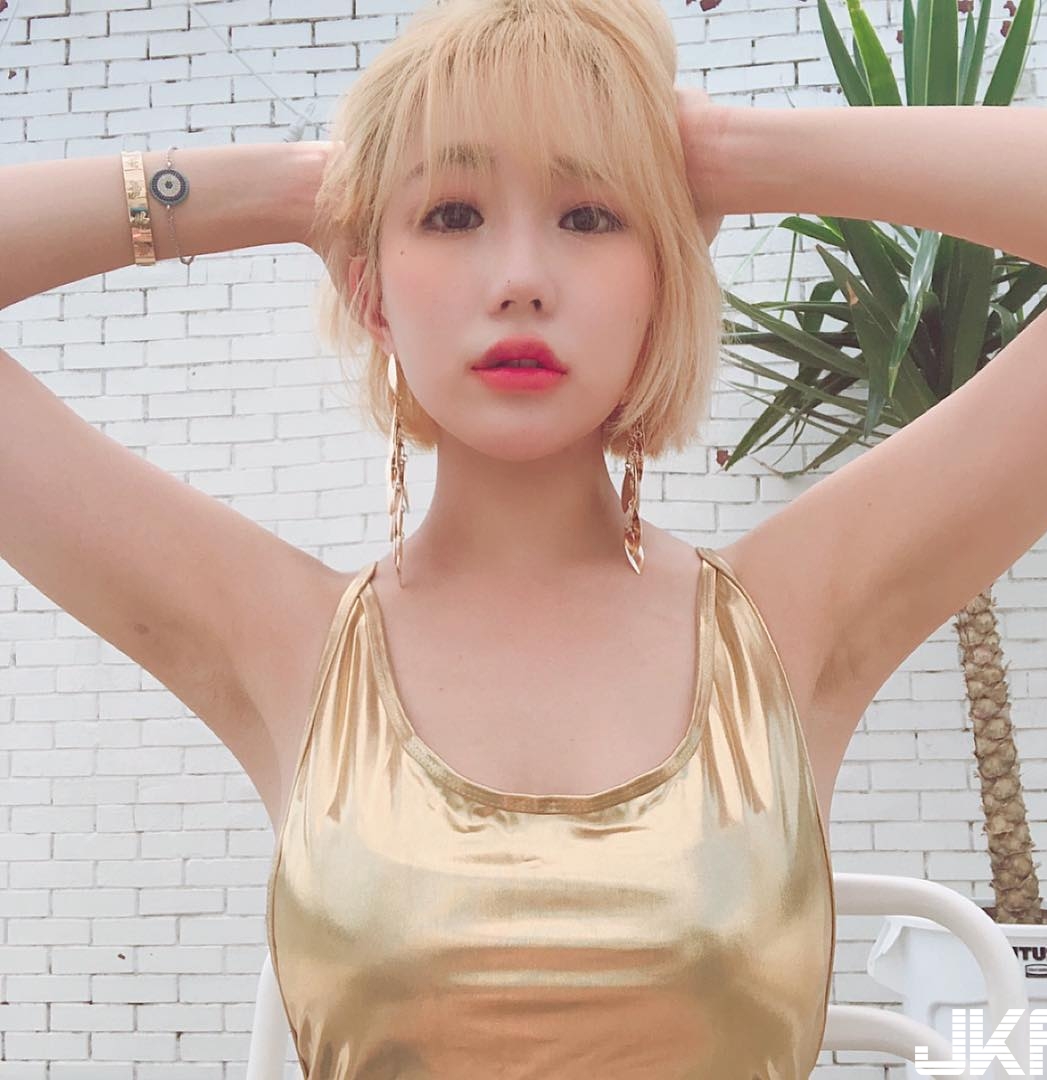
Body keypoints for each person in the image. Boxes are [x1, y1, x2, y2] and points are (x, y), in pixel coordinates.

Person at [0, 0, 834, 1076]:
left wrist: (725, 152)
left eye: (590, 215)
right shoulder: (284, 637)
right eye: (451, 214)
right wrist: (305, 189)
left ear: (664, 278)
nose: (519, 278)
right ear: (372, 294)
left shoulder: (792, 614)